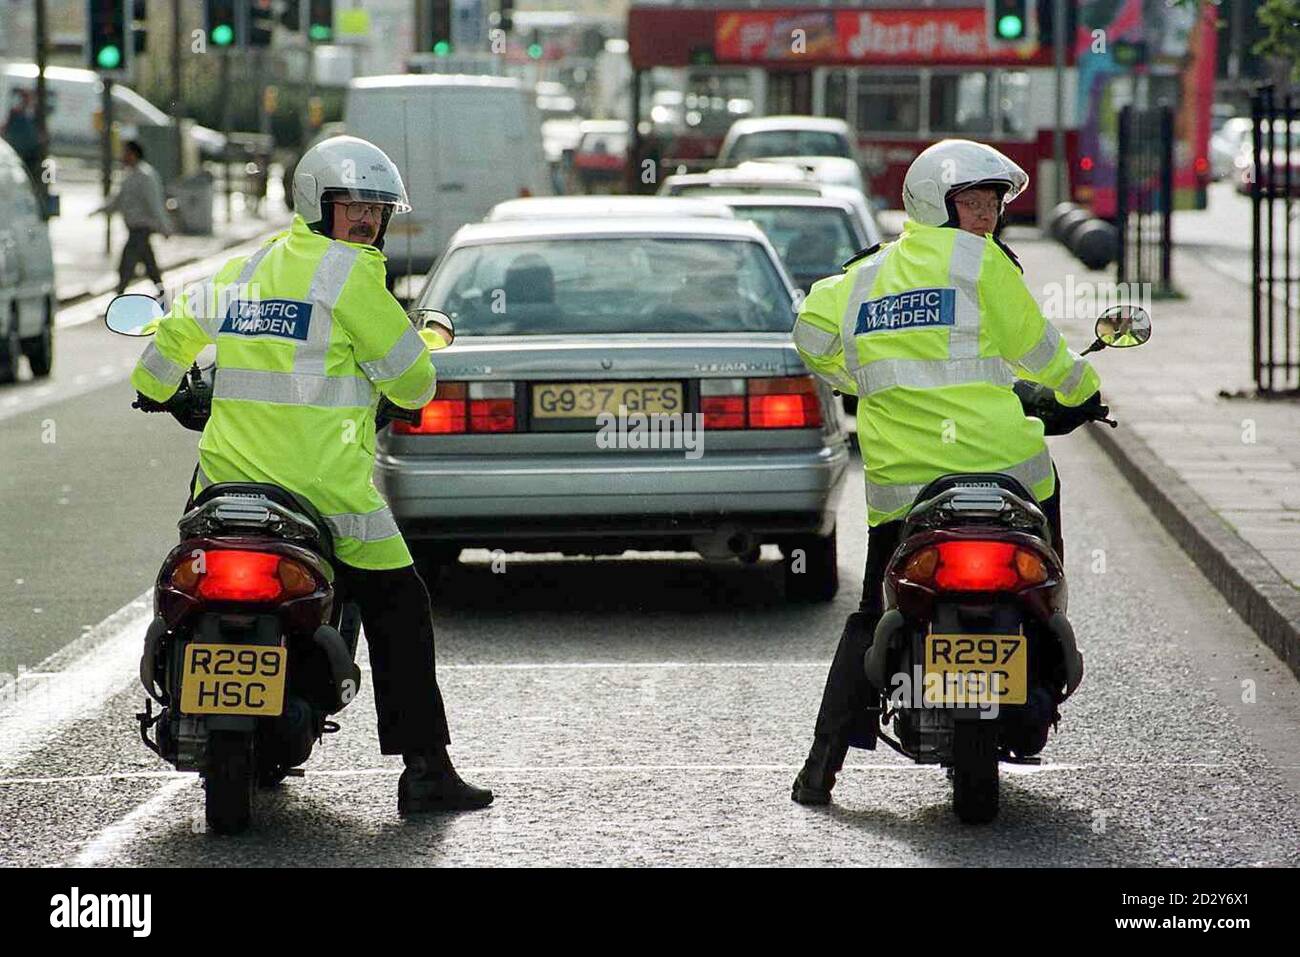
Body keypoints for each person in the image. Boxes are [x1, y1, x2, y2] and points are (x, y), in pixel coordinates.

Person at [129, 135, 492, 814]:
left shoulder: (245, 268)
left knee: (185, 571)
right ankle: (425, 770)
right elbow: (414, 380)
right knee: (400, 607)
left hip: (226, 490)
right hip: (331, 498)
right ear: (316, 205)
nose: (365, 221)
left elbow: (175, 333)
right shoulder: (353, 276)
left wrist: (154, 387)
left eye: (375, 210)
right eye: (352, 206)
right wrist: (395, 386)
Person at [789, 139, 1105, 805]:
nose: (986, 215)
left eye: (993, 202)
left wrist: (860, 382)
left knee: (875, 611)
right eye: (973, 201)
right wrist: (1084, 388)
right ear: (938, 206)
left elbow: (810, 334)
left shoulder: (862, 280)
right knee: (1046, 544)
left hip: (905, 492)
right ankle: (1043, 621)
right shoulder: (982, 265)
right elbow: (1040, 348)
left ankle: (821, 766)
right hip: (1005, 470)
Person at [97, 140, 172, 297]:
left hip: (141, 228)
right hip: (134, 228)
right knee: (150, 266)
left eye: (125, 152)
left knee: (126, 264)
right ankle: (162, 295)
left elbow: (154, 204)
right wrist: (101, 210)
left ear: (133, 154)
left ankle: (118, 298)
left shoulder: (145, 176)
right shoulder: (129, 175)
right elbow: (118, 200)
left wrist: (164, 226)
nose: (122, 156)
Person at [2, 89, 40, 180]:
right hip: (18, 147)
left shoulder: (34, 114)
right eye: (25, 98)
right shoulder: (15, 112)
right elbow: (7, 126)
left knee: (29, 171)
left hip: (30, 150)